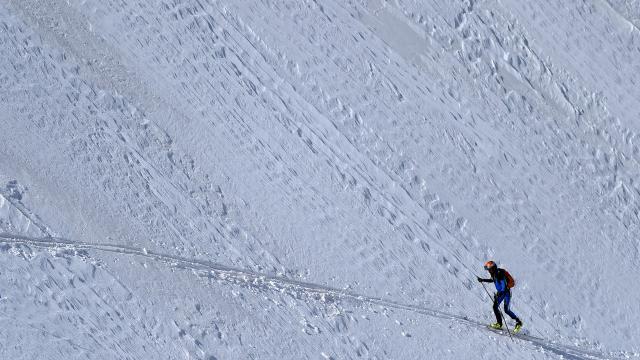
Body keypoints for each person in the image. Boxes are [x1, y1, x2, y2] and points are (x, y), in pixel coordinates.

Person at [477, 260, 523, 332]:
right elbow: (492, 280)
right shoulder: (495, 273)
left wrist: (499, 293)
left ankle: (516, 323)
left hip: (505, 292)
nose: (489, 271)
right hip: (503, 292)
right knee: (502, 309)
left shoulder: (499, 274)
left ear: (493, 268)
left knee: (501, 308)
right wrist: (482, 280)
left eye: (489, 270)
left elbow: (503, 285)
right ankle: (503, 323)